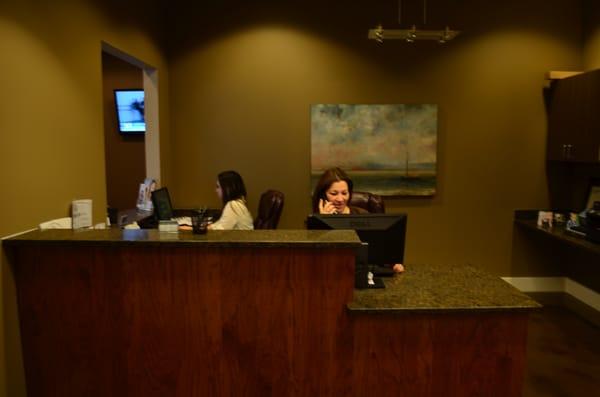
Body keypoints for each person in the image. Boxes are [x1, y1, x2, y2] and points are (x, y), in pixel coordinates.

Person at [312, 167, 404, 273]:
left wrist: (393, 263)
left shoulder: (362, 214)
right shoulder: (314, 220)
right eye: (334, 194)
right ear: (323, 195)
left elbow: (378, 248)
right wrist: (322, 222)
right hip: (329, 272)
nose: (340, 199)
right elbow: (315, 258)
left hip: (360, 272)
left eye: (344, 193)